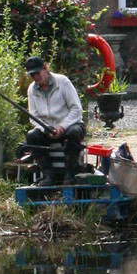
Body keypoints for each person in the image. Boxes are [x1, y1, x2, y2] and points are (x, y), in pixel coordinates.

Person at [22, 55, 85, 185]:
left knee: (74, 132)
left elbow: (77, 110)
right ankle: (48, 174)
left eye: (37, 73)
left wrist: (62, 127)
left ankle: (69, 174)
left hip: (70, 126)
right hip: (47, 130)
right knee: (32, 136)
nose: (36, 77)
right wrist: (45, 128)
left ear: (45, 69)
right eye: (32, 75)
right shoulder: (31, 90)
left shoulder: (63, 82)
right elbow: (33, 117)